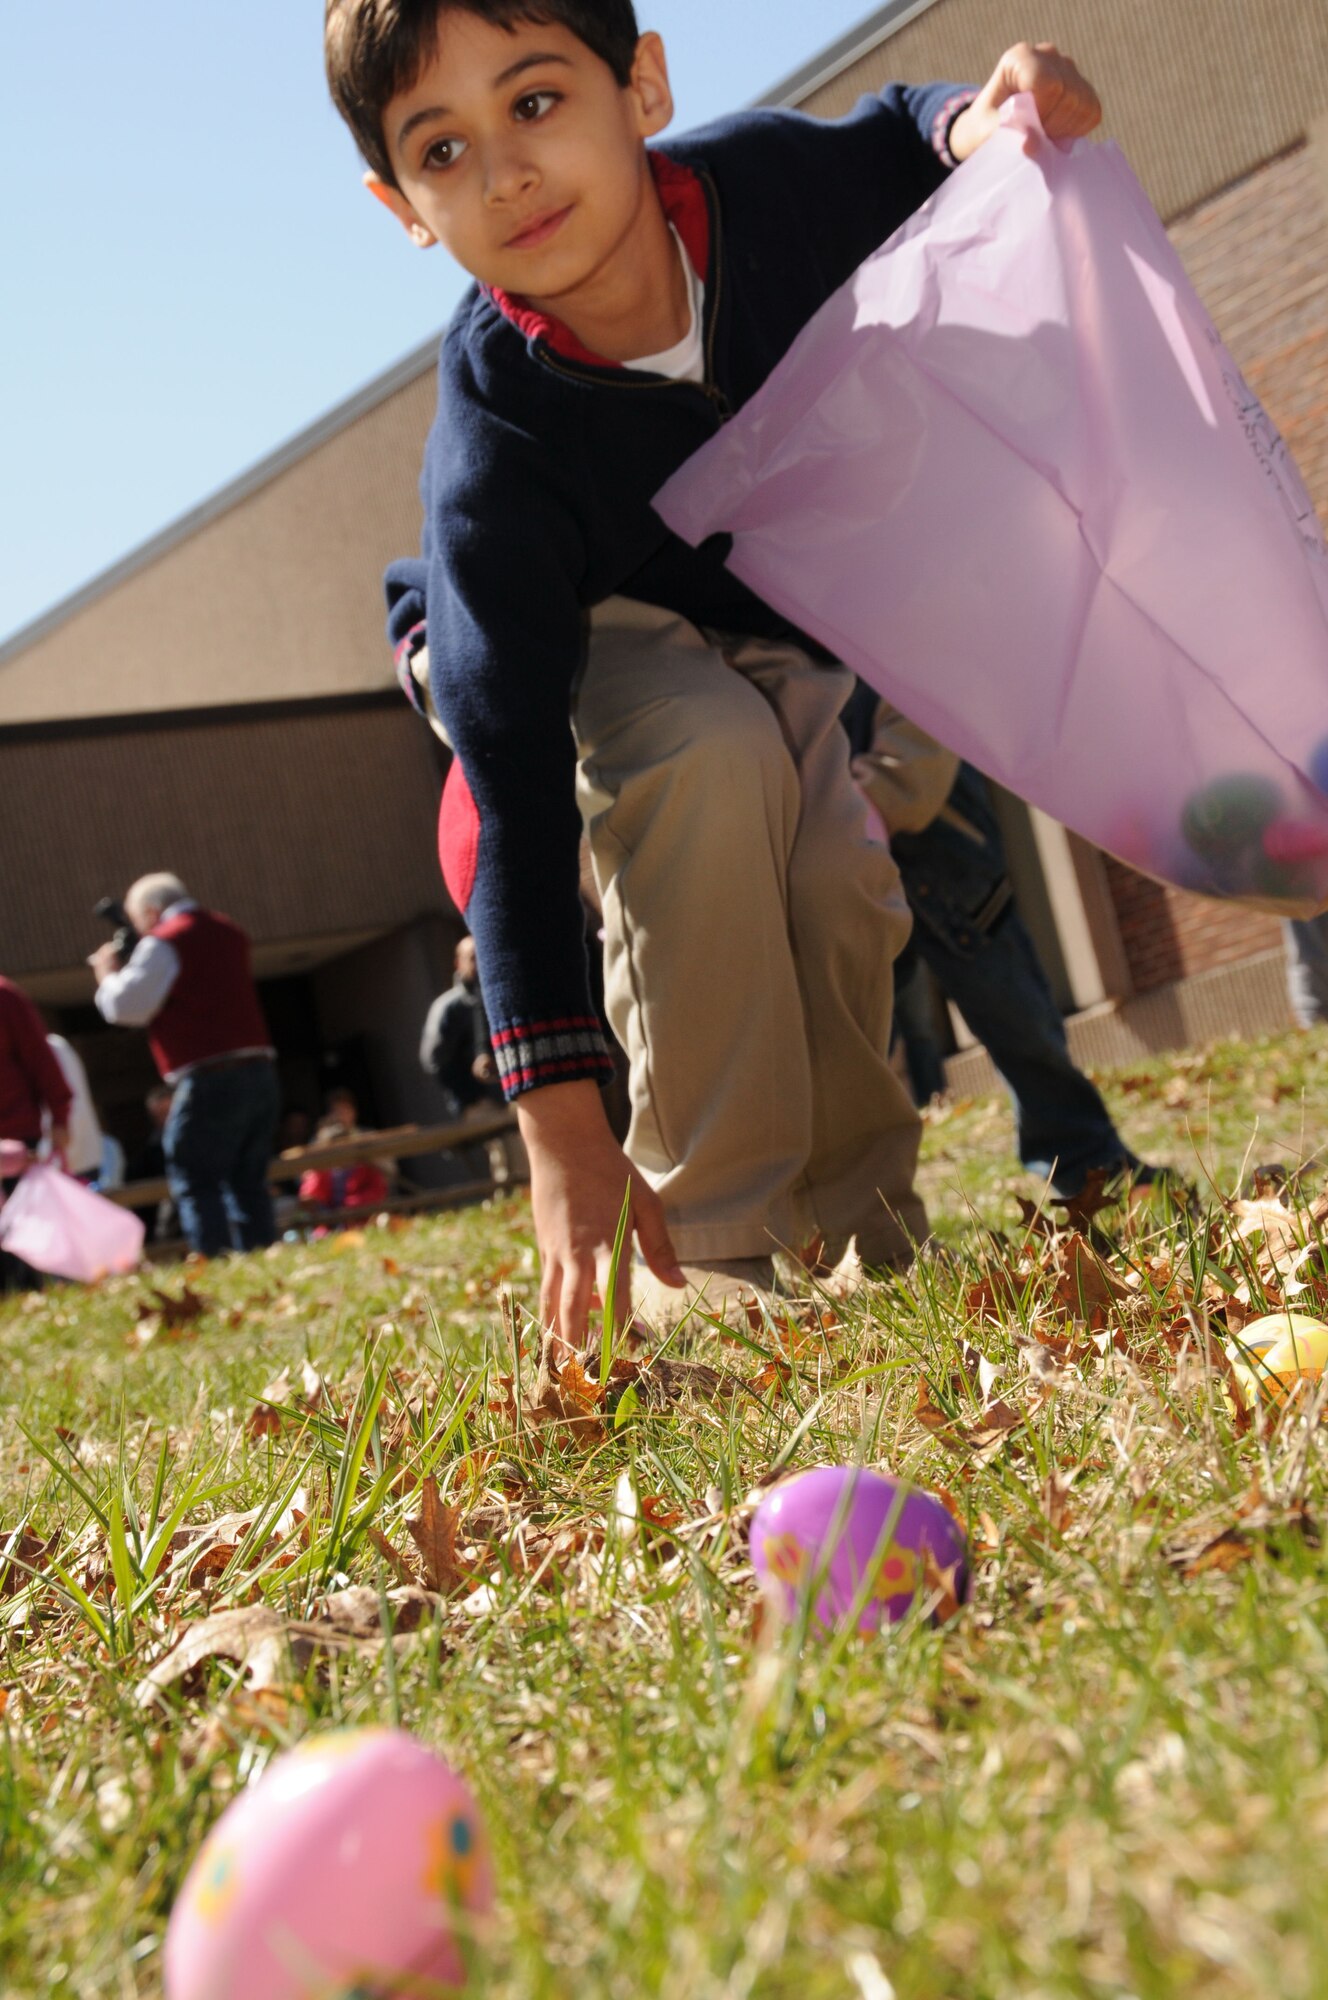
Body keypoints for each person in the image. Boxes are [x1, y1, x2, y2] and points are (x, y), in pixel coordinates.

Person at [324, 1, 1102, 1347]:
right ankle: (725, 1256)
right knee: (701, 753)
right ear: (401, 207)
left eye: (535, 102)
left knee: (831, 865)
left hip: (768, 607)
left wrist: (983, 123)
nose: (504, 172)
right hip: (572, 628)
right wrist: (562, 1122)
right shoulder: (498, 438)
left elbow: (901, 136)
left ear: (642, 85)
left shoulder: (767, 193)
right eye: (441, 151)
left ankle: (863, 1228)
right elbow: (513, 793)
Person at [847, 685, 1158, 1198]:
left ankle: (1087, 1162)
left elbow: (930, 699)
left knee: (1017, 1013)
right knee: (856, 1044)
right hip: (851, 856)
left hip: (942, 840)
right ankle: (866, 1208)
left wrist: (861, 799)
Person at [89, 874, 279, 1257]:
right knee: (249, 1179)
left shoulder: (166, 940)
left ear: (151, 912)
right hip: (260, 1071)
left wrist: (106, 973)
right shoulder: (228, 930)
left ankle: (214, 1258)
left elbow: (125, 1006)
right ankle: (262, 1253)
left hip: (210, 1077)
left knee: (194, 1177)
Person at [420, 935, 528, 1185]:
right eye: (472, 958)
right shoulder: (449, 1007)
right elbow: (435, 1060)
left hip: (511, 1090)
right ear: (458, 963)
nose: (479, 964)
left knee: (525, 1151)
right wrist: (470, 1096)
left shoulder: (498, 996)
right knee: (506, 1155)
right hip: (480, 1100)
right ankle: (510, 1203)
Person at [0, 976, 72, 1293]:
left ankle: (31, 1298)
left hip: (15, 1146)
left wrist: (60, 1116)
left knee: (26, 1241)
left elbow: (40, 1059)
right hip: (17, 1137)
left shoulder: (4, 997)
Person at [298, 1089, 394, 1212]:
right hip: (329, 1200)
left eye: (345, 1110)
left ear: (354, 1112)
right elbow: (304, 1179)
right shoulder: (320, 1140)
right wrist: (324, 1142)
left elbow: (388, 1173)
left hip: (361, 1198)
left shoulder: (368, 1136)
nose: (341, 1116)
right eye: (336, 1111)